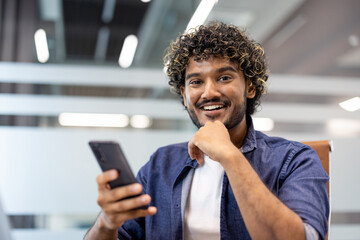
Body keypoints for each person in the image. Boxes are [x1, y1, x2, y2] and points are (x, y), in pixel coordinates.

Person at [84, 21, 329, 240]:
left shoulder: (295, 159)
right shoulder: (161, 164)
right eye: (196, 82)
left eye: (224, 78)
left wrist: (230, 156)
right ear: (184, 94)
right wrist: (107, 223)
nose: (208, 92)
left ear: (251, 87)